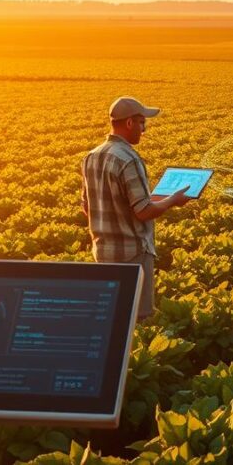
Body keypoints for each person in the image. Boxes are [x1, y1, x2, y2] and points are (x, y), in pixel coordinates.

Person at [81, 96, 192, 321]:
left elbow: (87, 207)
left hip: (102, 253)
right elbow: (143, 212)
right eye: (142, 123)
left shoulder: (91, 156)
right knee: (137, 318)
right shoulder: (128, 159)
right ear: (129, 123)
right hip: (132, 253)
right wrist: (172, 200)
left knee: (112, 317)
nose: (144, 129)